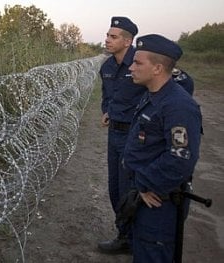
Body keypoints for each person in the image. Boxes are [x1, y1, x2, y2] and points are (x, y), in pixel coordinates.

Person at [124, 34, 202, 262]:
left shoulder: (178, 106)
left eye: (138, 63)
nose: (131, 67)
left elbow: (181, 157)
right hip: (147, 192)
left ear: (157, 68)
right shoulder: (154, 96)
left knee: (153, 252)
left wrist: (144, 183)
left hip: (160, 200)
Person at [98, 16, 146, 254]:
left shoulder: (141, 62)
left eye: (113, 37)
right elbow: (106, 94)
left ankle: (136, 238)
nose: (107, 40)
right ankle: (124, 235)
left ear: (128, 41)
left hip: (135, 137)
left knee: (132, 189)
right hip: (114, 135)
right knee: (115, 188)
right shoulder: (107, 66)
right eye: (107, 35)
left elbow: (171, 85)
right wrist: (106, 110)